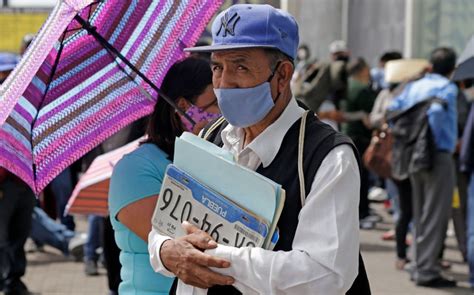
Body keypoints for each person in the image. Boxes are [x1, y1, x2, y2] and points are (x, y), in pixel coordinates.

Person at [148, 4, 370, 294]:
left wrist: (217, 257)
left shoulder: (327, 156)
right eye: (217, 67)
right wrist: (166, 251)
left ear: (282, 75)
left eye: (240, 66)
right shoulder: (209, 138)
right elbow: (164, 229)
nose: (224, 83)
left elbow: (326, 275)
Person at [108, 56, 220, 294]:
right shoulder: (135, 169)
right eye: (215, 104)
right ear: (183, 107)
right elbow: (184, 245)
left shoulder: (217, 160)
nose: (224, 114)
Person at [390, 47, 458, 287]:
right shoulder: (447, 88)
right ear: (452, 68)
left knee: (419, 214)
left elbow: (393, 108)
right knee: (435, 215)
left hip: (410, 154)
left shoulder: (414, 86)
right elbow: (438, 112)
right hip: (436, 155)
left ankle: (418, 264)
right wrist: (435, 139)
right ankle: (427, 270)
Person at [0, 53, 36, 295]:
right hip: (4, 183)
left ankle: (14, 280)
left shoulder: (28, 105)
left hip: (24, 181)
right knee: (1, 238)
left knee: (19, 234)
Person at [342, 57, 377, 229]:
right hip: (360, 137)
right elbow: (372, 114)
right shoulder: (363, 90)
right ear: (363, 70)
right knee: (361, 177)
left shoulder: (344, 86)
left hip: (344, 134)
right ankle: (362, 213)